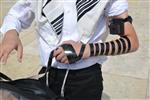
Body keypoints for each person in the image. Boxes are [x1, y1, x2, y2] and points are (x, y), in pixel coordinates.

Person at [0, 0, 139, 100]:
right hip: (48, 76)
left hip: (86, 81)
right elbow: (16, 15)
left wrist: (87, 50)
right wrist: (10, 33)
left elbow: (131, 41)